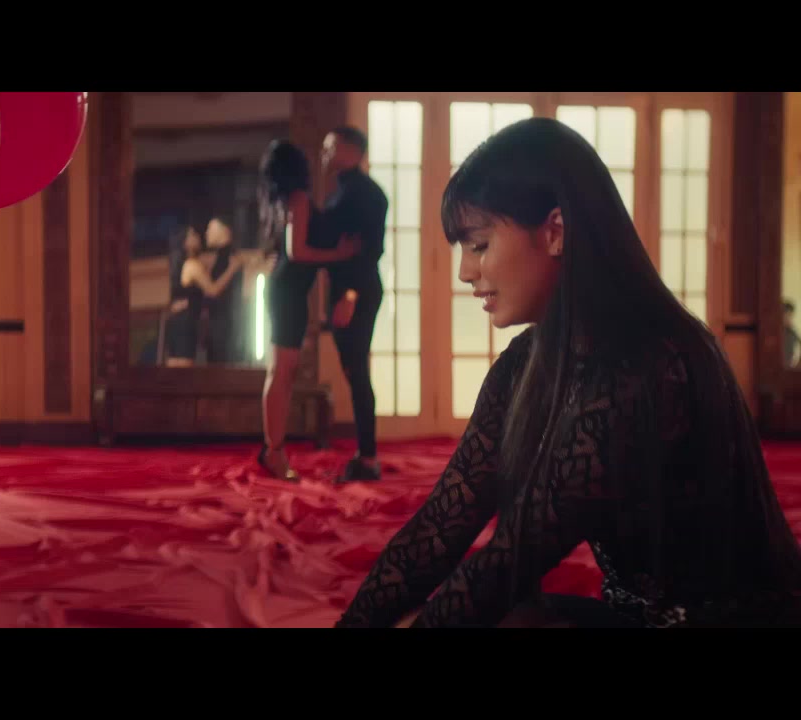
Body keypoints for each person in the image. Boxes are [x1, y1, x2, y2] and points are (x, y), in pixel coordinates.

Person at [336, 118, 801, 628]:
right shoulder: (526, 364)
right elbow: (438, 529)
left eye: (480, 245)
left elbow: (507, 564)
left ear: (555, 231)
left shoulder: (651, 366)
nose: (466, 271)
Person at [257, 140, 361, 479]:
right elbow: (298, 252)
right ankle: (273, 451)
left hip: (287, 290)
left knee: (282, 372)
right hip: (288, 292)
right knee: (282, 372)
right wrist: (339, 254)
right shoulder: (299, 199)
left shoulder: (281, 202)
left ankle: (273, 449)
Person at [318, 127, 390, 483]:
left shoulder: (368, 194)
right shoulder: (343, 190)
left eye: (330, 146)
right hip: (345, 291)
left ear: (351, 151)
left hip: (357, 291)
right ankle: (366, 454)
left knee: (357, 371)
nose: (325, 152)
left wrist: (349, 296)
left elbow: (370, 249)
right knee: (353, 371)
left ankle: (369, 457)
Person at [164, 225, 242, 366]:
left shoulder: (185, 265)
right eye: (192, 235)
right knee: (184, 368)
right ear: (185, 243)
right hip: (186, 323)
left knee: (176, 368)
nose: (198, 236)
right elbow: (213, 290)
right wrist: (232, 269)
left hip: (179, 321)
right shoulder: (192, 265)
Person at [206, 217, 245, 364]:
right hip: (222, 328)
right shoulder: (224, 257)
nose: (207, 232)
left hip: (225, 330)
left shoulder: (229, 259)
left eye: (210, 228)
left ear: (224, 230)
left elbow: (217, 292)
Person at [784, 300, 799, 368]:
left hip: (790, 367)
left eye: (791, 316)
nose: (790, 319)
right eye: (788, 315)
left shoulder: (792, 332)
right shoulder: (777, 333)